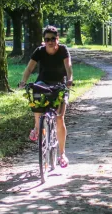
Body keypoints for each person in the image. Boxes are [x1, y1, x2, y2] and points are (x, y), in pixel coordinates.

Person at [19, 25, 74, 167]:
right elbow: (29, 68)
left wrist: (69, 79)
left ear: (58, 39)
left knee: (59, 118)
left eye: (53, 39)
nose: (50, 42)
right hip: (43, 83)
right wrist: (23, 81)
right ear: (44, 40)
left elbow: (68, 68)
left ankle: (62, 154)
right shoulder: (40, 51)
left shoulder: (63, 50)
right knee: (37, 104)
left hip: (59, 85)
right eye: (47, 39)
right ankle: (37, 128)